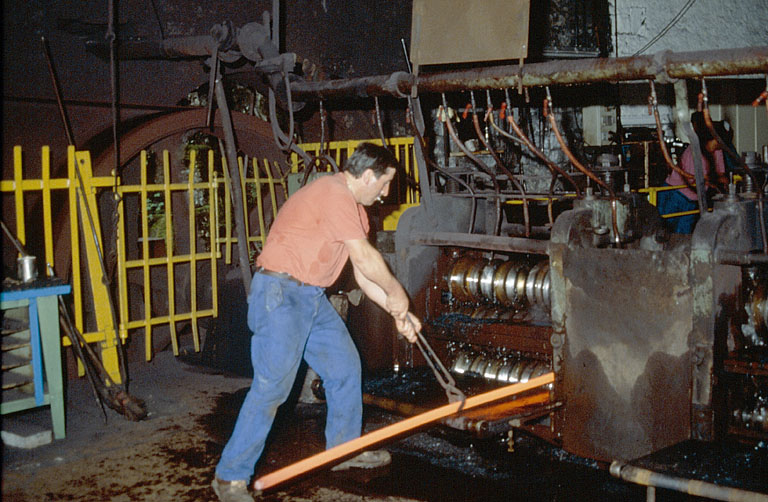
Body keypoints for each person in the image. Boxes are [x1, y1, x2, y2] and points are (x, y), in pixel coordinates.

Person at [212, 142, 421, 502]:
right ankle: (229, 478)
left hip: (310, 297)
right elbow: (368, 259)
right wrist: (398, 291)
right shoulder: (332, 191)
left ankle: (343, 450)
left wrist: (398, 311)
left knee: (343, 368)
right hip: (280, 293)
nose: (387, 192)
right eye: (385, 183)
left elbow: (362, 275)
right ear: (368, 175)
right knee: (272, 388)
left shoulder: (356, 212)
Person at [657, 112, 730, 234]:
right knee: (666, 233)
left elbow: (720, 174)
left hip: (692, 199)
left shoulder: (718, 151)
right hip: (675, 194)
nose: (721, 143)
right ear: (711, 139)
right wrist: (715, 180)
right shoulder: (695, 152)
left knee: (684, 235)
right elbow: (693, 179)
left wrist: (723, 180)